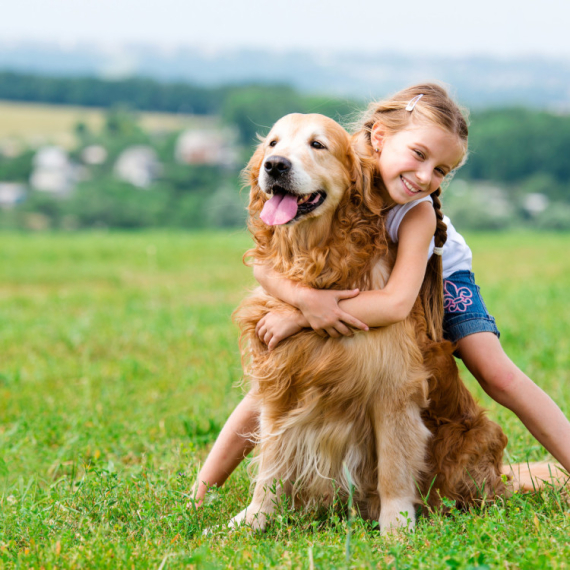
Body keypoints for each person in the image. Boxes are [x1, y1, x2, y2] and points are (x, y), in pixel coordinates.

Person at [191, 83, 570, 505]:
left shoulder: (418, 212)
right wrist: (304, 300)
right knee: (274, 381)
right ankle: (201, 491)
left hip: (438, 280)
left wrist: (303, 313)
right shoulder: (334, 160)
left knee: (497, 374)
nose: (426, 176)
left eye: (442, 170)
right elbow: (262, 260)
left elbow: (395, 303)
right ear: (378, 138)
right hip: (353, 279)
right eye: (419, 154)